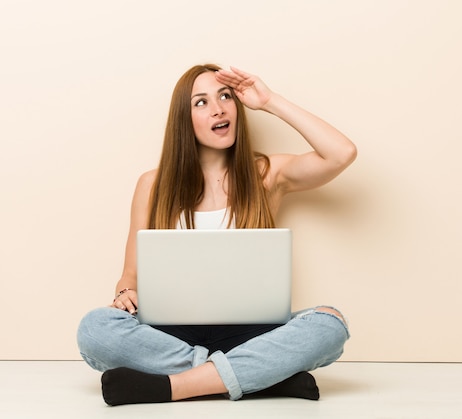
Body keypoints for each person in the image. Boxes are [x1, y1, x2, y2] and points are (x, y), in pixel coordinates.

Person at [76, 64, 357, 406]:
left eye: (225, 96)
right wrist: (125, 293)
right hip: (171, 332)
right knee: (95, 328)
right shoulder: (152, 184)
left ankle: (176, 386)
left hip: (253, 332)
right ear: (184, 118)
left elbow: (341, 153)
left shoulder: (266, 173)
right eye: (201, 102)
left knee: (331, 324)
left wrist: (270, 101)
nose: (219, 108)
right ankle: (260, 378)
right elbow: (130, 275)